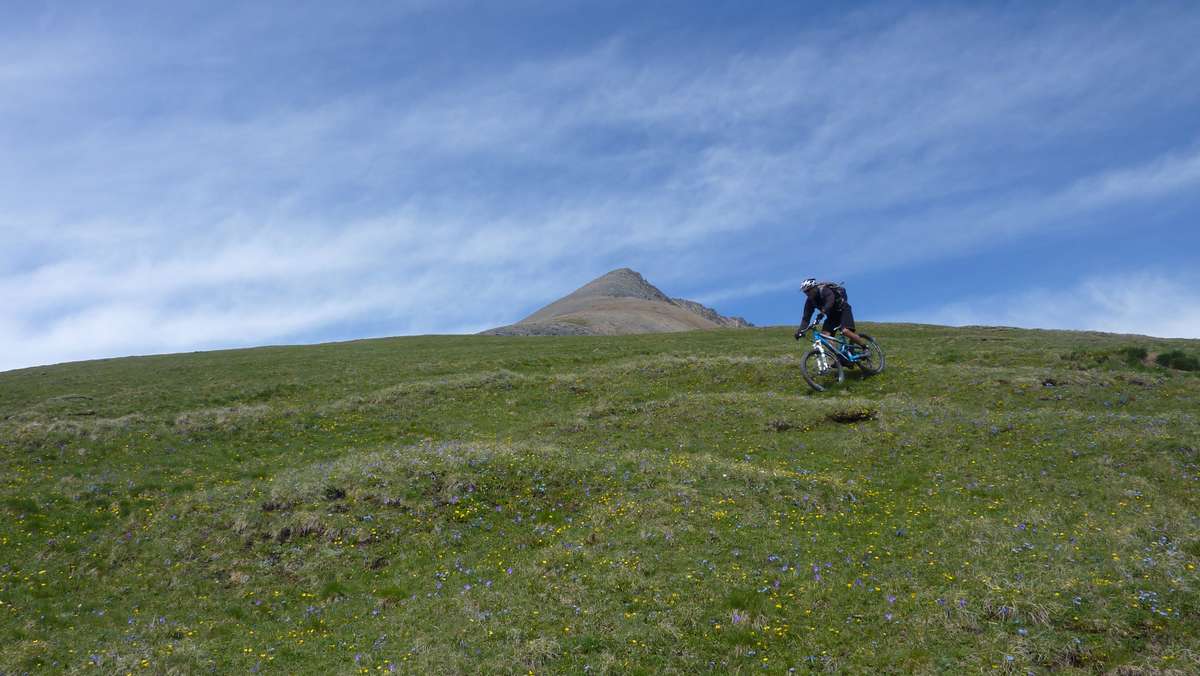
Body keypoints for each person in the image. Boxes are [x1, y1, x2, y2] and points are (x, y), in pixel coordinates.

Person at [794, 278, 867, 349]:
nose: (807, 293)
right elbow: (806, 319)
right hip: (832, 316)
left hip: (843, 310)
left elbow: (830, 301)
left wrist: (823, 312)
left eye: (808, 290)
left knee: (845, 331)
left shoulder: (823, 290)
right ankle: (838, 357)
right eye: (805, 292)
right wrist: (800, 331)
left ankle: (865, 348)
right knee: (825, 336)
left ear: (814, 287)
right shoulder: (810, 301)